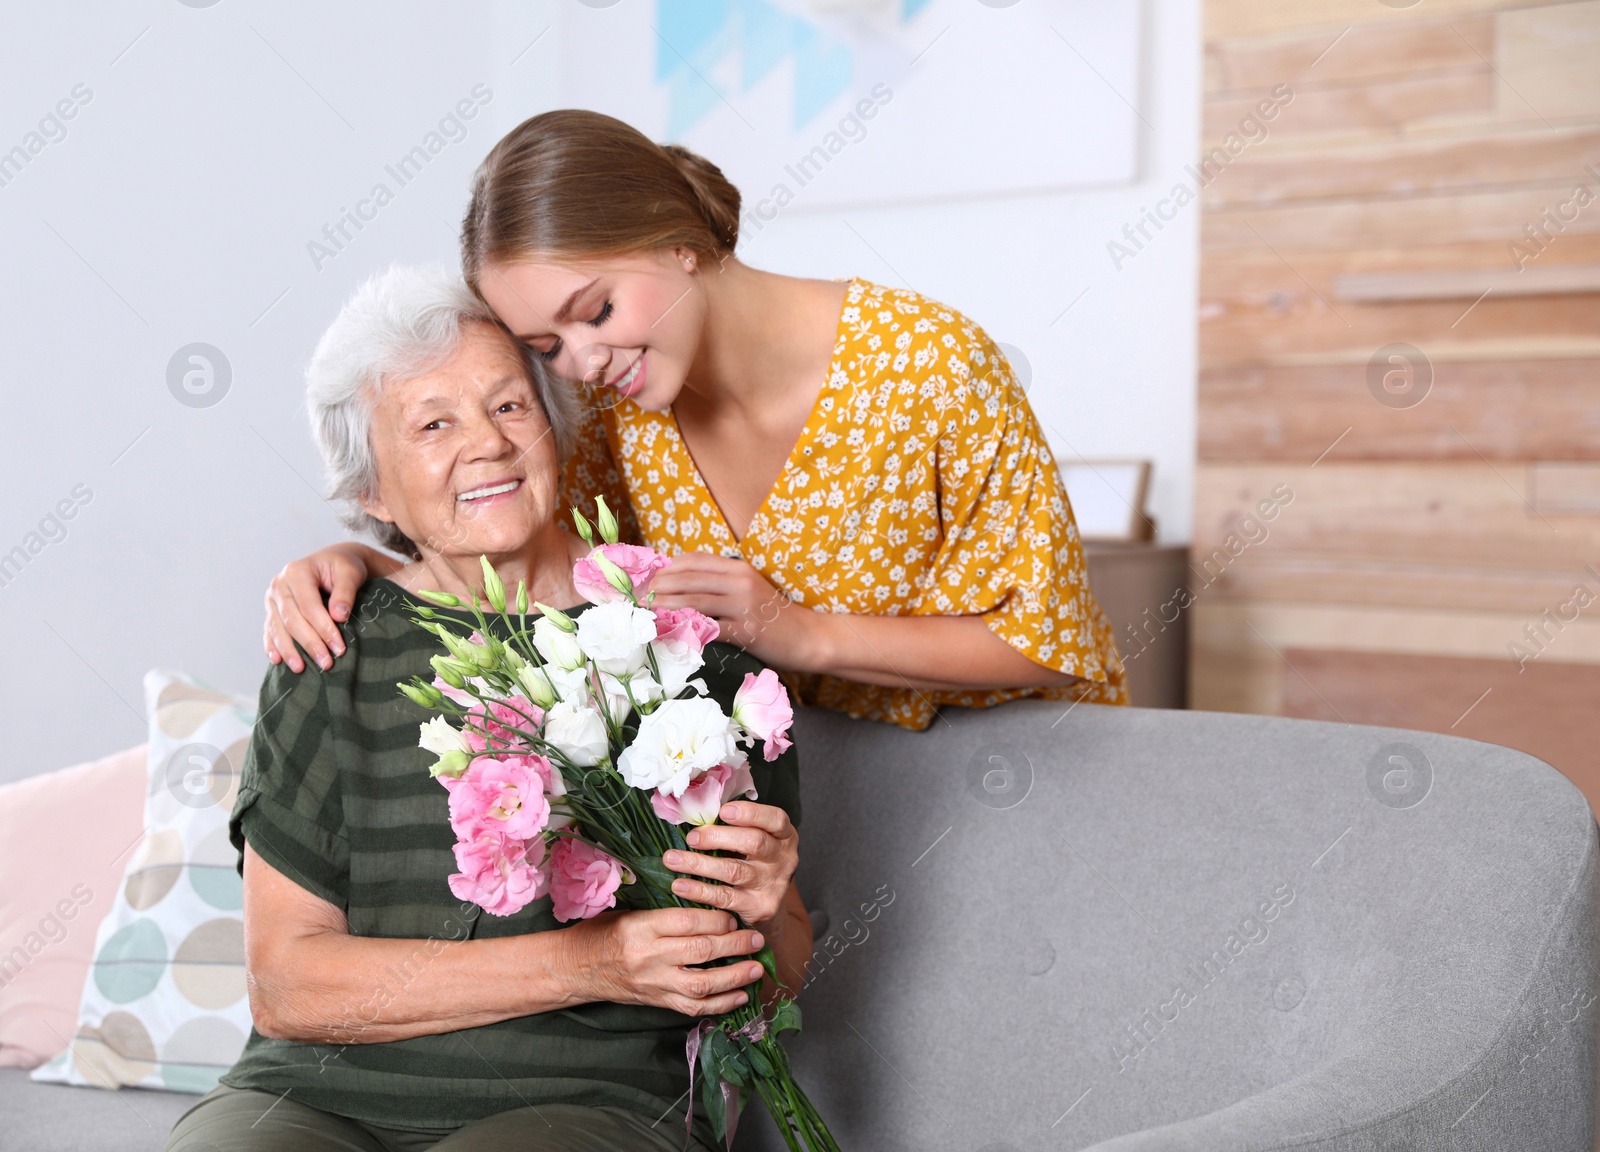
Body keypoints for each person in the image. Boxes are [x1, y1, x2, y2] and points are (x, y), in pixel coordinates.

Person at [165, 266, 808, 1152]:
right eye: (435, 424)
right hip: (311, 1100)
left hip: (590, 1103)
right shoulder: (331, 648)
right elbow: (287, 988)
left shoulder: (682, 641)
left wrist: (768, 909)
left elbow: (775, 978)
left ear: (553, 426)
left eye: (509, 407)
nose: (488, 446)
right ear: (374, 495)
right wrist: (593, 965)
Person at [262, 110, 1128, 731]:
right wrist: (366, 558)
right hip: (791, 776)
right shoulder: (608, 408)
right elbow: (536, 558)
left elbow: (1045, 641)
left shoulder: (931, 366)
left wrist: (801, 633)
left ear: (679, 240)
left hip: (1022, 762)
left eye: (595, 310)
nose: (584, 360)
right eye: (546, 345)